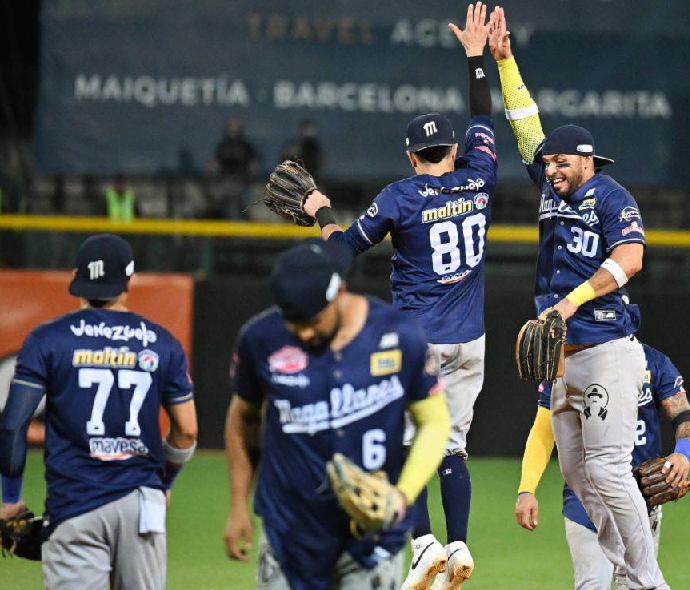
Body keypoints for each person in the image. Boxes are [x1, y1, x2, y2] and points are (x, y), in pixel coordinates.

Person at [300, 5, 497, 588]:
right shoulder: (479, 177)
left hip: (420, 340)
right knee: (451, 449)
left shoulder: (401, 195)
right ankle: (457, 547)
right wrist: (475, 58)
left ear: (412, 157)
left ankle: (424, 544)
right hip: (472, 340)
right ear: (455, 151)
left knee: (392, 440)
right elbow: (483, 112)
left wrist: (320, 214)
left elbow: (342, 255)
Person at [489, 7, 668, 589]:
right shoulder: (549, 183)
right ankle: (624, 569)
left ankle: (649, 579)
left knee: (611, 469)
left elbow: (633, 259)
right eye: (548, 163)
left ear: (587, 161)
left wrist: (570, 302)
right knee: (578, 474)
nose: (551, 168)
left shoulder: (612, 196)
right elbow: (524, 122)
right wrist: (505, 62)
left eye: (561, 161)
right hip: (563, 358)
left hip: (608, 347)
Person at [223, 239, 451, 590]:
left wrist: (403, 495)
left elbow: (434, 421)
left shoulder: (397, 335)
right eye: (294, 323)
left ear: (339, 292)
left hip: (371, 537)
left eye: (313, 320)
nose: (305, 332)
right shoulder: (260, 340)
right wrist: (239, 504)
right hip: (290, 531)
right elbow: (243, 420)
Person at [0, 233, 198, 590]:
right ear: (129, 280)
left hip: (75, 504)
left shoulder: (48, 340)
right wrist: (162, 483)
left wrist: (11, 500)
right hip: (143, 504)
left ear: (78, 280)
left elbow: (13, 427)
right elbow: (187, 430)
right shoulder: (163, 342)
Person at [515, 343, 690, 589]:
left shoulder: (652, 362)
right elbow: (542, 432)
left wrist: (682, 453)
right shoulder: (568, 366)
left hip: (640, 498)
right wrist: (527, 488)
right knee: (592, 585)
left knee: (637, 584)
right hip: (586, 500)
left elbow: (684, 415)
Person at [210, 117, 258, 219]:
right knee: (223, 207)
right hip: (225, 182)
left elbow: (253, 164)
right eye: (232, 127)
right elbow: (215, 164)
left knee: (243, 209)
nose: (234, 129)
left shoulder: (245, 145)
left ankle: (243, 227)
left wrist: (249, 178)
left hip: (241, 182)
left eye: (236, 127)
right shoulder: (223, 145)